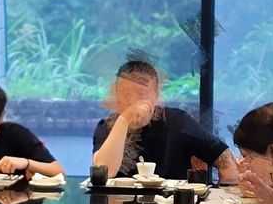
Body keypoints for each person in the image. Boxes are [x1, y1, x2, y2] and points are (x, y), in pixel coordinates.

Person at [92, 59, 238, 181]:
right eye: (125, 94)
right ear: (116, 96)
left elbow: (226, 159)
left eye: (141, 93)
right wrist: (124, 120)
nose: (133, 101)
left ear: (156, 96)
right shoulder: (107, 126)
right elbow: (104, 173)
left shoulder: (178, 121)